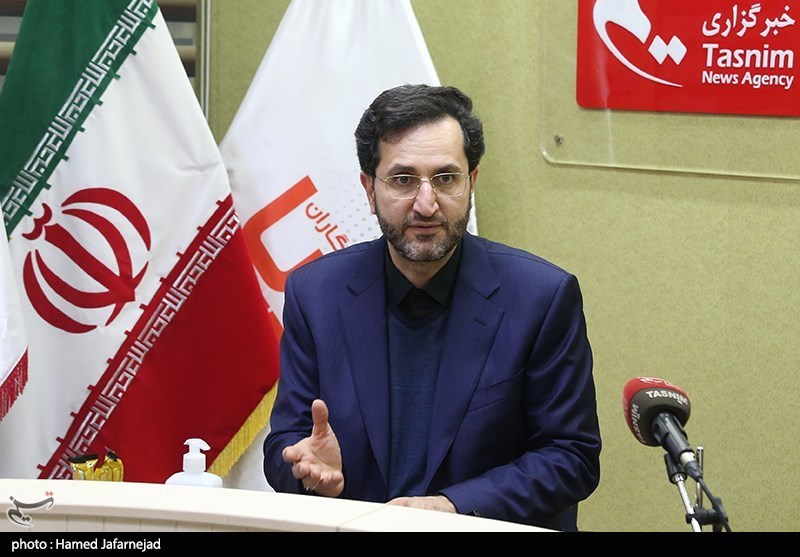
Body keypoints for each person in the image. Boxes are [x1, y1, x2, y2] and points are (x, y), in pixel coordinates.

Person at [263, 84, 601, 531]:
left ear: (471, 183)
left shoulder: (541, 297)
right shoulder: (316, 293)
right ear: (369, 189)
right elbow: (285, 443)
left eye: (445, 178)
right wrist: (308, 471)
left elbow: (570, 457)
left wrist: (451, 508)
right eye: (403, 180)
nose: (426, 204)